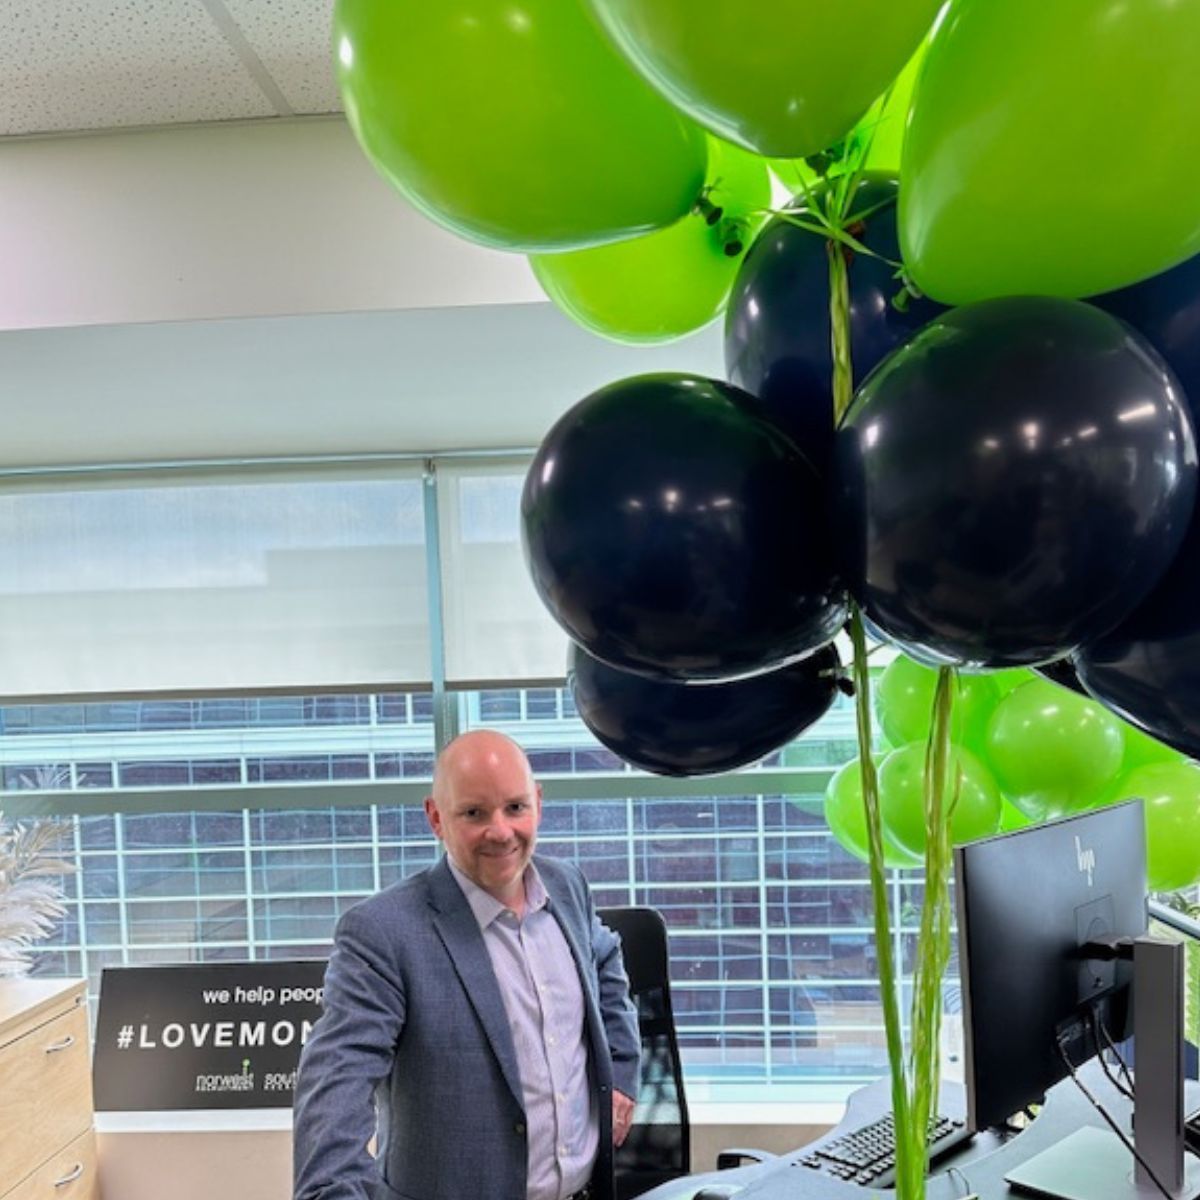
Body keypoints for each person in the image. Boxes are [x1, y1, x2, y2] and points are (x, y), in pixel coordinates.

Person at [293, 728, 641, 1200]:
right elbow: (337, 1080)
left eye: (515, 807)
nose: (500, 832)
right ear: (436, 818)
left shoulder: (567, 886)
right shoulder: (382, 933)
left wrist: (620, 1070)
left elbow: (604, 957)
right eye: (474, 813)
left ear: (537, 801)